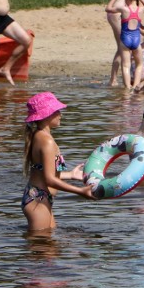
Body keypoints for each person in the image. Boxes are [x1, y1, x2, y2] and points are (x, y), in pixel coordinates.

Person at [22, 92, 94, 230]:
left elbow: (45, 171)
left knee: (51, 247)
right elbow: (49, 179)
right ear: (47, 115)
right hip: (38, 201)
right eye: (57, 111)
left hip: (41, 199)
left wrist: (70, 175)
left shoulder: (41, 136)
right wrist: (80, 191)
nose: (60, 114)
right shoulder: (46, 141)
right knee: (42, 246)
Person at [106, 0, 144, 90]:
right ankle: (136, 86)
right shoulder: (141, 9)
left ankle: (128, 88)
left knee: (126, 65)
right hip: (136, 40)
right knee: (139, 64)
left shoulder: (123, 9)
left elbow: (108, 8)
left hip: (125, 39)